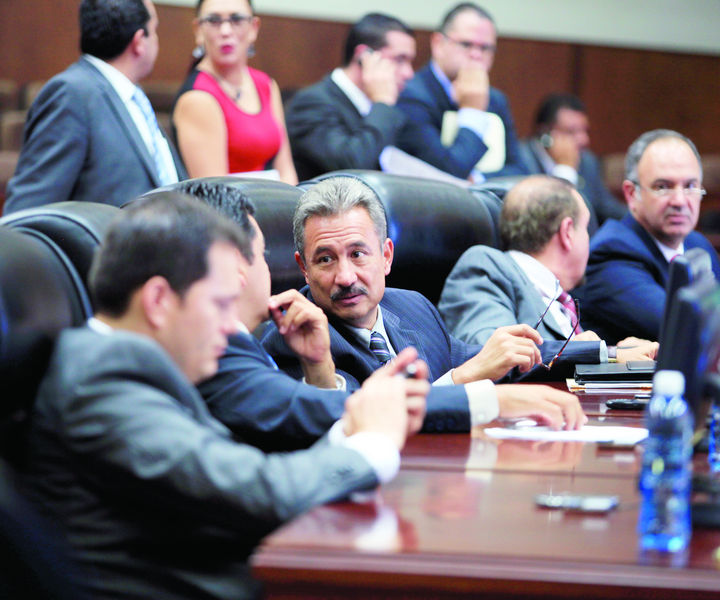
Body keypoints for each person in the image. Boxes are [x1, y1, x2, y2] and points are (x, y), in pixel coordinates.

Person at [22, 191, 429, 600]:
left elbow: (236, 474)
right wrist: (373, 442)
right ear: (159, 301)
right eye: (218, 305)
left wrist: (351, 427)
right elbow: (260, 492)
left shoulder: (126, 369)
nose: (229, 327)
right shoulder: (101, 387)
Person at [263, 176, 588, 430]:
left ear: (386, 256)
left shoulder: (412, 306)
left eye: (357, 254)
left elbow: (491, 358)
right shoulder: (297, 336)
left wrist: (600, 353)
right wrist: (463, 381)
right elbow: (351, 415)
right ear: (304, 268)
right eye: (325, 259)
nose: (346, 277)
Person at [438, 175, 658, 372]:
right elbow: (495, 358)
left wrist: (621, 354)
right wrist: (608, 354)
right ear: (567, 232)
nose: (589, 240)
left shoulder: (563, 299)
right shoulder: (485, 266)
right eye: (585, 228)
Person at [4, 0, 184, 215]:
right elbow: (27, 212)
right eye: (154, 30)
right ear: (138, 41)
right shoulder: (71, 94)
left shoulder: (132, 96)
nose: (156, 40)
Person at [576, 129, 720, 343]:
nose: (680, 201)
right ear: (631, 194)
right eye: (662, 187)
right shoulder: (611, 253)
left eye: (690, 186)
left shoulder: (697, 244)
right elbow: (686, 328)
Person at [395, 3, 526, 181]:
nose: (476, 55)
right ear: (438, 44)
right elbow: (446, 172)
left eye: (486, 48)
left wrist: (477, 179)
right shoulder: (411, 95)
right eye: (466, 44)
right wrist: (473, 110)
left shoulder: (496, 99)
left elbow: (519, 169)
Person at [172, 0, 298, 184]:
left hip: (273, 198)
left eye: (236, 19)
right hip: (225, 202)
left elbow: (286, 171)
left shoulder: (266, 84)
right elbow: (214, 193)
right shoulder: (198, 97)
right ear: (198, 30)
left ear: (253, 28)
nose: (225, 31)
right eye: (214, 20)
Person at [284, 13, 416, 181]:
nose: (409, 73)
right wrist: (382, 103)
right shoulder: (311, 103)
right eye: (399, 59)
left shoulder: (392, 105)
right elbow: (351, 165)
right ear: (363, 56)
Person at [518, 93, 627, 235]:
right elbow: (544, 218)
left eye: (584, 130)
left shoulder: (586, 160)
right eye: (571, 131)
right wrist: (565, 170)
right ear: (545, 135)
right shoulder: (521, 160)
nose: (584, 139)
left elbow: (607, 208)